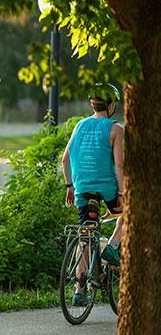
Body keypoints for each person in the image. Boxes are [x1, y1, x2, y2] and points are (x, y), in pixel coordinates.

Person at [61, 83, 125, 306]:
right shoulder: (116, 128)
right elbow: (119, 164)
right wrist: (122, 192)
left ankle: (79, 290)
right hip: (107, 188)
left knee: (85, 234)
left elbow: (64, 160)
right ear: (111, 105)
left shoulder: (79, 125)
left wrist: (69, 186)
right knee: (129, 213)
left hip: (82, 188)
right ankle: (113, 246)